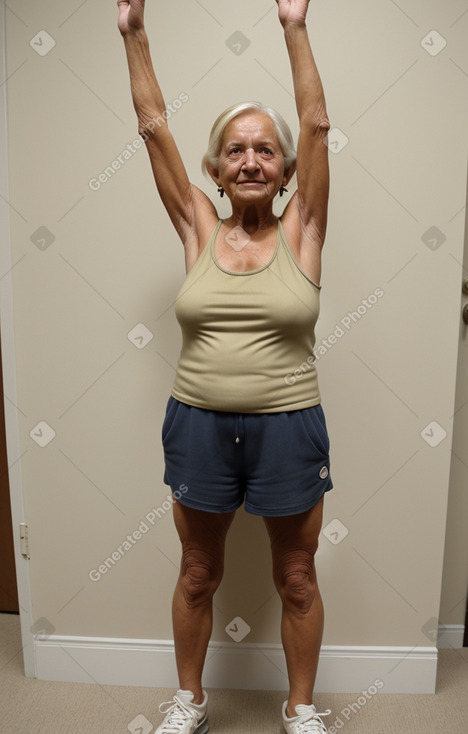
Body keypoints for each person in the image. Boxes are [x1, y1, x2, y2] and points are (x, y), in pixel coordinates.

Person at [118, 1, 334, 731]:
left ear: (284, 170)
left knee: (297, 577)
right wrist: (134, 34)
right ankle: (190, 701)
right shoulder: (197, 225)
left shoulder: (304, 228)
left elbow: (316, 125)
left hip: (289, 425)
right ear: (214, 168)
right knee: (197, 572)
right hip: (197, 423)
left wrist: (293, 26)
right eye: (235, 150)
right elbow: (152, 127)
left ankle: (300, 708)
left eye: (265, 150)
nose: (250, 160)